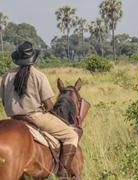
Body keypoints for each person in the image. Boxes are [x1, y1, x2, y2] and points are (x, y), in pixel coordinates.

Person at [0, 41, 79, 178]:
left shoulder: (6, 76)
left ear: (18, 58)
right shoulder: (38, 75)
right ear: (33, 58)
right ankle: (63, 171)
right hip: (36, 117)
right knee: (71, 135)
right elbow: (48, 106)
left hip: (13, 118)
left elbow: (3, 101)